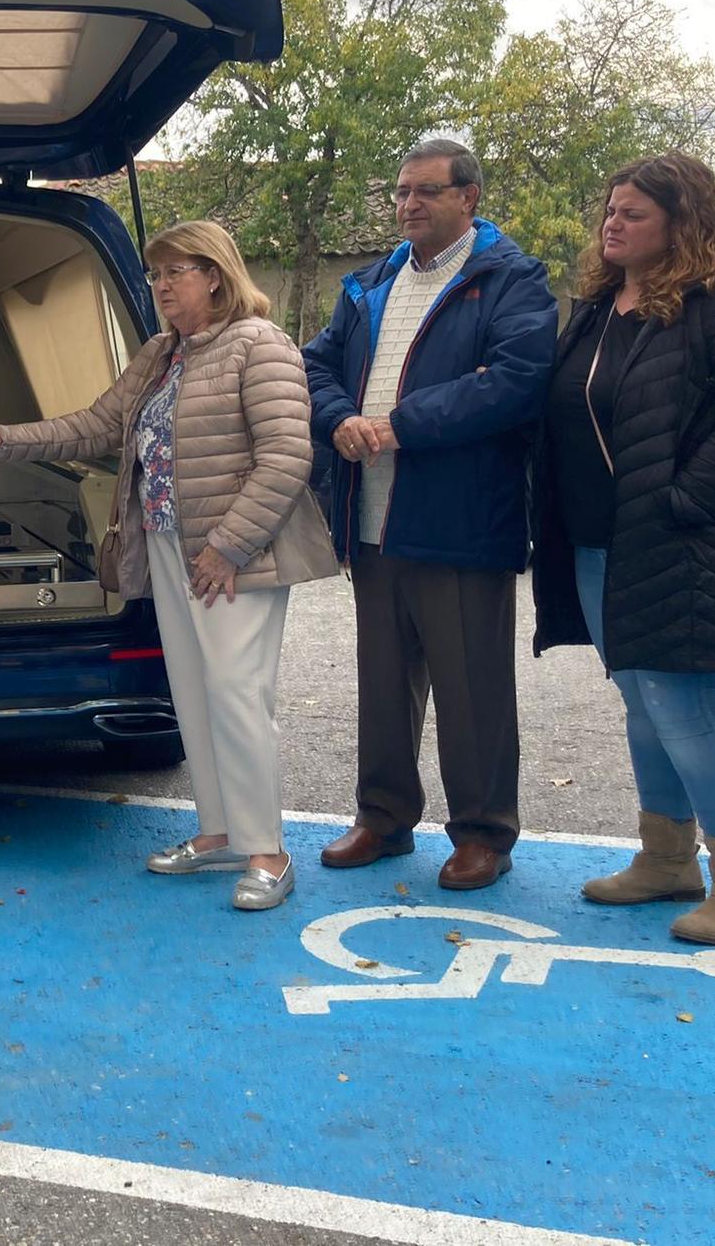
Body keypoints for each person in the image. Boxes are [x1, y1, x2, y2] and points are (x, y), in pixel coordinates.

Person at [0, 221, 338, 910]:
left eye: (175, 273)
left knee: (236, 693)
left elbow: (286, 457)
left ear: (215, 275)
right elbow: (95, 426)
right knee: (192, 689)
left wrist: (229, 545)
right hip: (166, 541)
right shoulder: (162, 354)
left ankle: (269, 852)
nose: (160, 287)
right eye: (156, 276)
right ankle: (218, 833)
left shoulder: (260, 345)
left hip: (232, 551)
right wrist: (0, 438)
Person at [532, 153, 715, 943]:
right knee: (643, 709)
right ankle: (667, 857)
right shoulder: (604, 304)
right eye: (610, 211)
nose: (613, 224)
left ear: (684, 221)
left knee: (686, 709)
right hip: (600, 544)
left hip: (680, 545)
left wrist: (686, 503)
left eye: (633, 213)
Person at [303, 139, 557, 890]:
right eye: (402, 192)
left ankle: (483, 832)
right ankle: (383, 818)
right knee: (382, 684)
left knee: (471, 688)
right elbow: (315, 365)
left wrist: (400, 424)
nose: (409, 204)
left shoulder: (510, 280)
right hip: (373, 519)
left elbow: (516, 381)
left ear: (469, 198)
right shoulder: (373, 282)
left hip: (460, 523)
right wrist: (340, 415)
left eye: (426, 192)